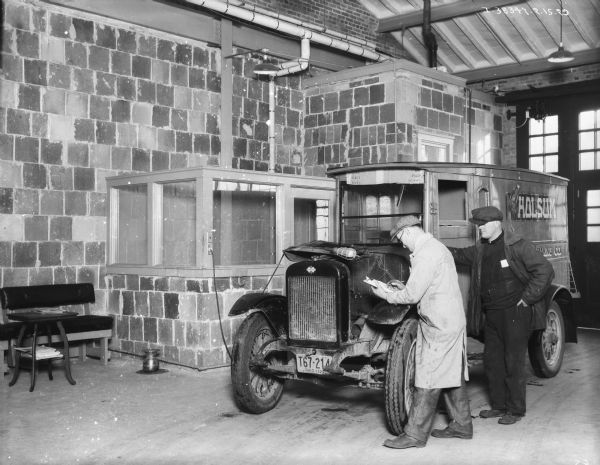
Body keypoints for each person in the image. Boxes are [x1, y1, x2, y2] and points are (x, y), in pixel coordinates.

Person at [368, 214, 472, 449]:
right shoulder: (437, 248)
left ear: (407, 232)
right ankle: (463, 424)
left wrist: (384, 294)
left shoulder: (426, 253)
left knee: (427, 377)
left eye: (401, 240)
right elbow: (426, 287)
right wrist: (402, 288)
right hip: (449, 320)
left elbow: (413, 296)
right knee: (451, 372)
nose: (403, 246)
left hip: (439, 324)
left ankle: (414, 434)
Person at [449, 206, 554, 425]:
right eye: (478, 225)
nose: (480, 229)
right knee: (493, 362)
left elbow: (545, 271)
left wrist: (526, 299)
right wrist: (432, 245)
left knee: (513, 362)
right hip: (492, 315)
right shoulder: (480, 249)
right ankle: (499, 406)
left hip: (515, 313)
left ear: (497, 223)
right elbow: (457, 255)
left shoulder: (518, 246)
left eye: (483, 225)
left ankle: (515, 410)